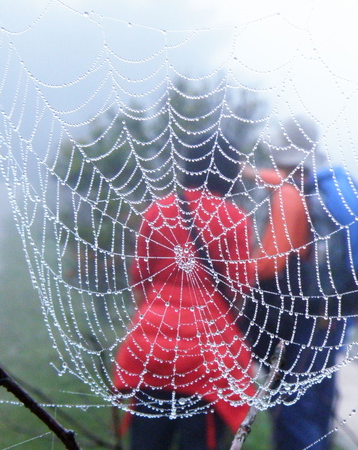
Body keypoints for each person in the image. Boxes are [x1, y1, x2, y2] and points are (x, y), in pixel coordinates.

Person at [243, 115, 358, 450]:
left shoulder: (304, 194)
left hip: (313, 314)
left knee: (293, 402)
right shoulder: (333, 182)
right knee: (319, 396)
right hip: (338, 311)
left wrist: (237, 274)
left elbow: (271, 259)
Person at [113, 133, 256, 450]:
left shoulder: (158, 209)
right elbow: (238, 287)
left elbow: (140, 278)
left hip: (148, 349)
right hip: (207, 357)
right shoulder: (234, 218)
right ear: (231, 172)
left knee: (146, 444)